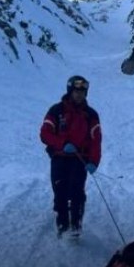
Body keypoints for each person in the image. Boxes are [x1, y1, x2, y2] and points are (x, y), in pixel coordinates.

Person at [39, 74, 101, 238]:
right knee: (59, 189)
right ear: (70, 91)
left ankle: (75, 224)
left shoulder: (91, 114)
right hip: (59, 157)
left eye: (82, 91)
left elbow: (96, 141)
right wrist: (62, 143)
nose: (79, 94)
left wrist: (94, 162)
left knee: (76, 190)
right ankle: (62, 222)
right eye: (76, 91)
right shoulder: (56, 111)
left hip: (80, 159)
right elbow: (45, 134)